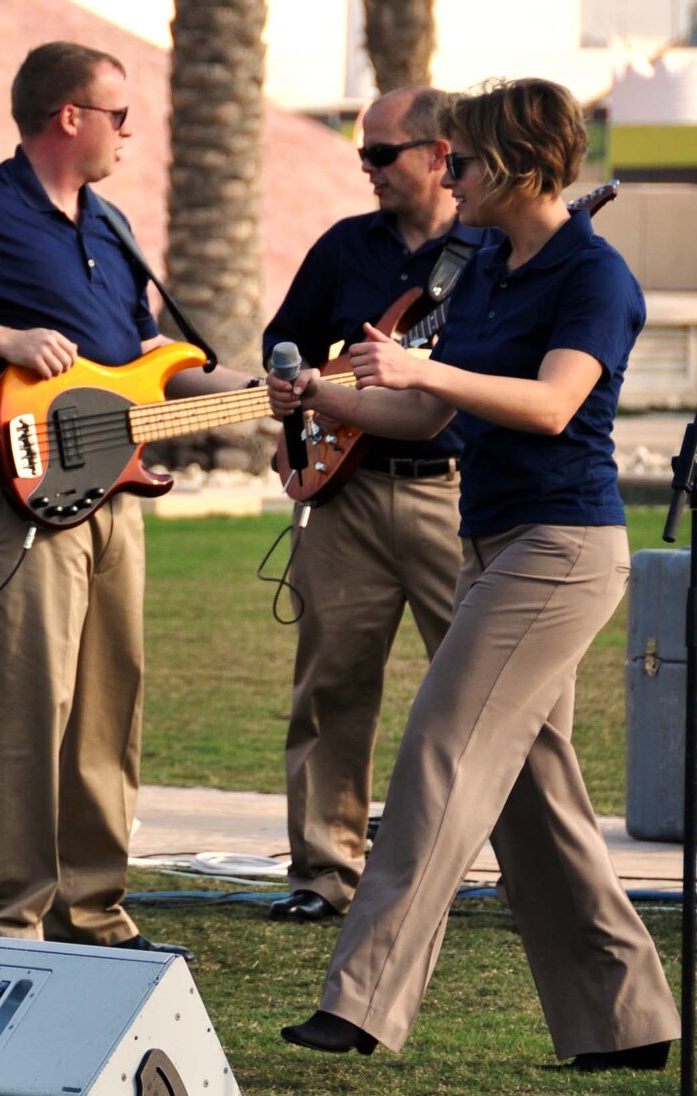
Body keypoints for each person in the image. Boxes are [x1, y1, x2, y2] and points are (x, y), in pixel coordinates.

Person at [268, 78, 678, 1068]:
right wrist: (324, 389)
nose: (444, 176)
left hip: (559, 550)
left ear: (516, 164)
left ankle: (360, 1000)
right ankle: (627, 1023)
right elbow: (425, 417)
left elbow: (544, 404)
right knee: (535, 801)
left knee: (440, 751)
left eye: (459, 161)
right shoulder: (489, 259)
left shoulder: (593, 277)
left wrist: (421, 370)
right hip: (487, 542)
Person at [0, 41, 253, 959]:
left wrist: (270, 396)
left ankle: (95, 913)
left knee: (111, 713)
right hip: (13, 497)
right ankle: (8, 921)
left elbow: (150, 365)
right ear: (69, 117)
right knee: (22, 715)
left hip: (112, 500)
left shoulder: (109, 226)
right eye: (119, 115)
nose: (130, 132)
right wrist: (3, 337)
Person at [260, 86, 492, 924]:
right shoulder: (343, 247)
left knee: (481, 692)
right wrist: (292, 378)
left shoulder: (491, 252)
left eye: (382, 154)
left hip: (451, 493)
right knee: (331, 686)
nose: (367, 168)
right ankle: (323, 872)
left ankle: (493, 867)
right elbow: (281, 335)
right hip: (346, 494)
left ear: (438, 155)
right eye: (363, 153)